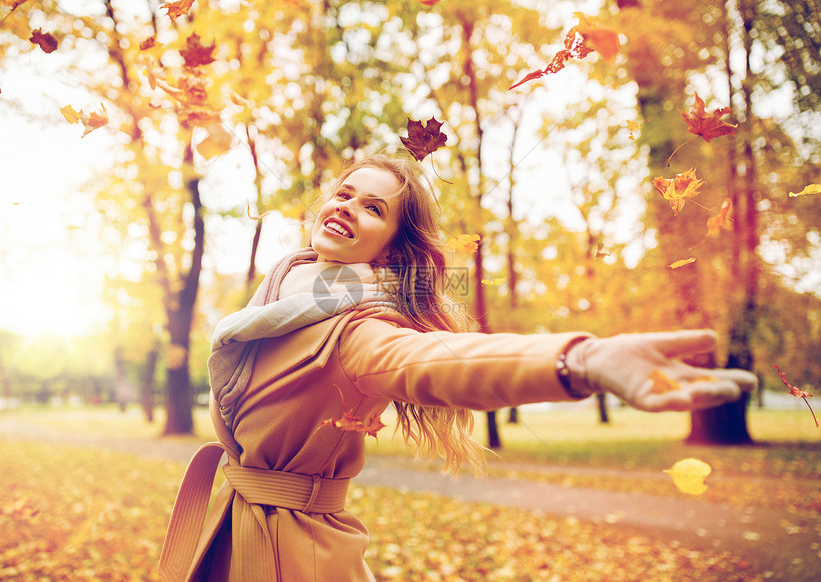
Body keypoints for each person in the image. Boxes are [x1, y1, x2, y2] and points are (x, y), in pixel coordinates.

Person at [158, 154, 757, 581]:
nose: (348, 208)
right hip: (233, 524)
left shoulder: (359, 331)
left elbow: (444, 363)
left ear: (390, 249)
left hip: (293, 555)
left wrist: (581, 360)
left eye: (373, 208)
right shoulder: (281, 294)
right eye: (345, 193)